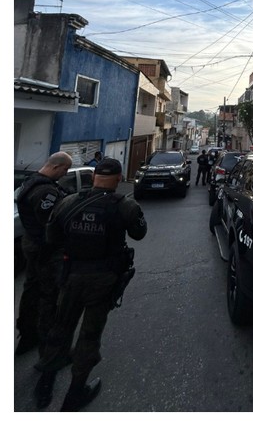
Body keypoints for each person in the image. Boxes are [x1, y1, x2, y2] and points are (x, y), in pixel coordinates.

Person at [34, 158, 147, 411]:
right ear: (119, 179)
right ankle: (74, 395)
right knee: (89, 335)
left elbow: (51, 237)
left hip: (70, 276)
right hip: (103, 281)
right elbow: (140, 233)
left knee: (60, 329)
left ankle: (44, 388)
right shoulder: (125, 206)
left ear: (94, 176)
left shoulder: (68, 202)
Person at [15, 152, 73, 357]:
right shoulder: (45, 191)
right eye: (65, 170)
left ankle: (28, 334)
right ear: (56, 167)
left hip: (33, 245)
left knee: (32, 288)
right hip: (45, 249)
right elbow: (51, 223)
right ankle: (48, 345)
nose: (65, 174)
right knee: (50, 294)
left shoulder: (30, 182)